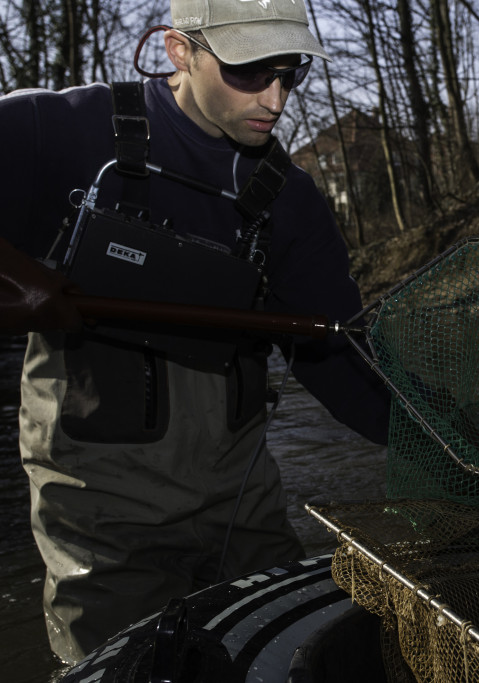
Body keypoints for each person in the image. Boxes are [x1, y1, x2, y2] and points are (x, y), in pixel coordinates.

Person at [0, 0, 390, 664]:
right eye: (249, 71)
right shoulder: (53, 132)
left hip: (243, 508)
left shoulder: (292, 203)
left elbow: (342, 362)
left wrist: (445, 439)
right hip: (100, 523)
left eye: (289, 72)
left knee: (293, 658)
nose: (275, 98)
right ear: (179, 50)